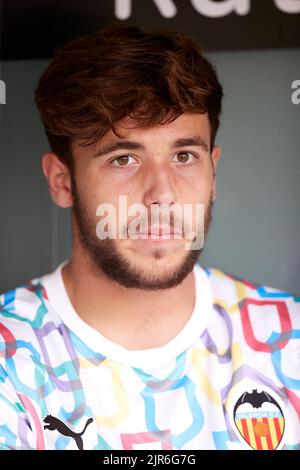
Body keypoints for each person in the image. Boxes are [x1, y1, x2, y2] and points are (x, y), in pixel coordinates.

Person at [0, 25, 299, 451]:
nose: (162, 195)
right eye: (124, 158)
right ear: (62, 181)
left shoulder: (291, 338)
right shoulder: (10, 358)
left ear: (212, 171)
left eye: (183, 156)